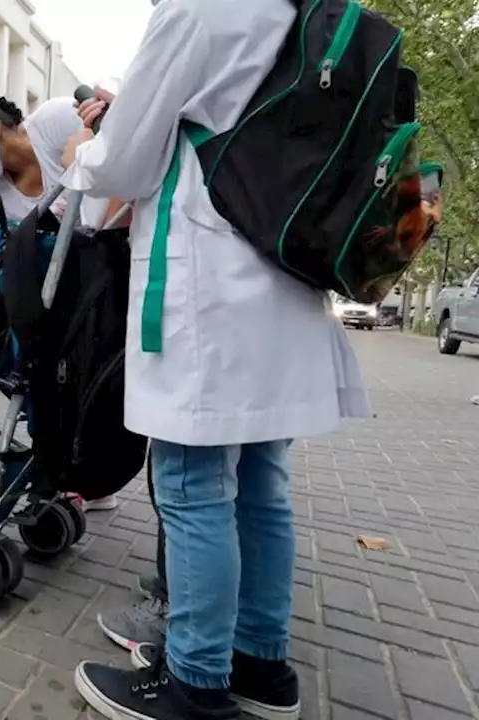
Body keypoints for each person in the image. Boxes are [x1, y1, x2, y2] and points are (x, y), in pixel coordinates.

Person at [60, 2, 370, 718]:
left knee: (195, 487)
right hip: (284, 277)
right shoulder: (308, 10)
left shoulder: (198, 6)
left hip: (208, 280)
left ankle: (195, 684)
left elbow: (128, 159)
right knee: (262, 485)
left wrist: (87, 155)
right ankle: (261, 666)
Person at [0, 94, 124, 512]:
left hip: (99, 271)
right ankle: (61, 474)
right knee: (47, 380)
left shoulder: (57, 120)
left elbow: (115, 169)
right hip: (53, 299)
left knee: (92, 382)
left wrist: (101, 241)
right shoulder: (0, 196)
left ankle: (87, 477)